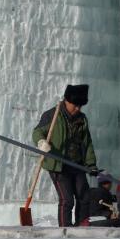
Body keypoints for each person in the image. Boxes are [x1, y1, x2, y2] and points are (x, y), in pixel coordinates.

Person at [32, 84, 97, 227]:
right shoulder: (52, 115)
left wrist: (91, 164)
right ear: (66, 101)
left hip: (77, 164)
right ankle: (65, 229)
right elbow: (37, 132)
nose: (78, 108)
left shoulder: (82, 119)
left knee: (84, 196)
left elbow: (87, 143)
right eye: (75, 105)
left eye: (80, 106)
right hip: (57, 164)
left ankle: (81, 225)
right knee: (67, 199)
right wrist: (41, 142)